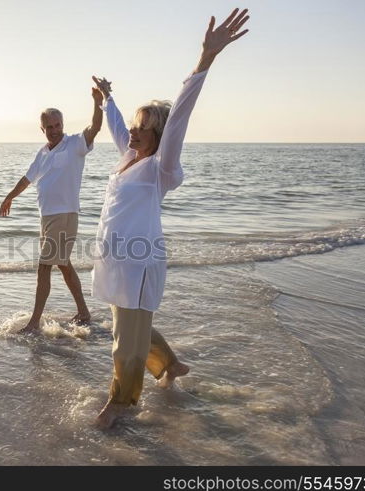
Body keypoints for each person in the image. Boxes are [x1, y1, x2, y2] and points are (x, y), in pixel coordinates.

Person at [91, 8, 250, 428]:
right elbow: (116, 127)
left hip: (140, 263)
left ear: (159, 133)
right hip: (117, 262)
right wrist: (108, 98)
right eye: (135, 125)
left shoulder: (160, 166)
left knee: (126, 341)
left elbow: (180, 116)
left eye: (144, 127)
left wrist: (205, 60)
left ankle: (120, 404)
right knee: (128, 329)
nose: (134, 131)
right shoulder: (127, 159)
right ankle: (171, 366)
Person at [0, 87, 103, 333]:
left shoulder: (75, 144)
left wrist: (98, 103)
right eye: (49, 127)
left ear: (63, 124)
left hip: (64, 215)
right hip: (47, 217)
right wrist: (9, 197)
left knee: (44, 265)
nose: (54, 130)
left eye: (58, 125)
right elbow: (27, 179)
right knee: (64, 264)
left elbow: (95, 128)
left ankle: (34, 322)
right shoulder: (43, 152)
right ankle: (84, 312)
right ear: (42, 129)